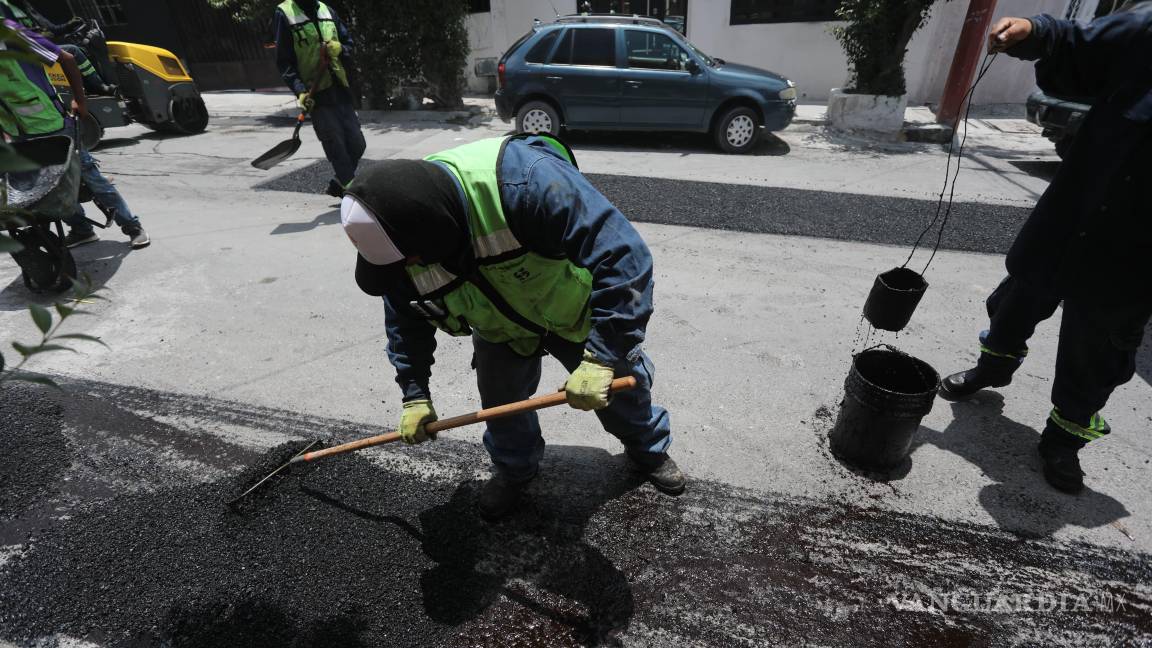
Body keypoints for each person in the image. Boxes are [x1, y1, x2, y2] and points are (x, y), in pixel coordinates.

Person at [340, 133, 685, 520]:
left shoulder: (525, 181)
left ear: (436, 228)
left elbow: (623, 256)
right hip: (500, 327)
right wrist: (414, 394)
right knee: (502, 405)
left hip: (571, 308)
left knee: (619, 389)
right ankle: (514, 470)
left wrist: (603, 355)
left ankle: (648, 450)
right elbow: (404, 315)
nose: (410, 266)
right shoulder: (401, 248)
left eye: (413, 257)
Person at [939, 5, 1152, 494]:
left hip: (1137, 248)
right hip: (1074, 212)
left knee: (1099, 349)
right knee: (1016, 301)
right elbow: (1080, 42)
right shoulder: (1148, 27)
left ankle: (1064, 440)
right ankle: (992, 369)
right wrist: (1034, 32)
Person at [0, 3, 149, 250]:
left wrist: (80, 100)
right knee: (47, 191)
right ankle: (81, 230)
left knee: (90, 177)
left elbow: (66, 58)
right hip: (19, 134)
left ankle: (132, 226)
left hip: (53, 125)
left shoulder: (12, 33)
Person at [273, 0, 365, 199]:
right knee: (336, 146)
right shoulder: (285, 14)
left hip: (340, 88)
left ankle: (339, 184)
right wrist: (300, 92)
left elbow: (349, 43)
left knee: (358, 144)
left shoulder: (326, 10)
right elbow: (284, 62)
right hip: (316, 95)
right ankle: (352, 195)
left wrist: (340, 48)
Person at [6, 0, 115, 95]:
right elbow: (15, 37)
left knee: (84, 48)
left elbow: (52, 29)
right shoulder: (6, 10)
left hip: (44, 46)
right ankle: (98, 86)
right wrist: (40, 36)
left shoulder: (25, 6)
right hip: (29, 52)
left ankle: (92, 84)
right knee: (73, 50)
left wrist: (69, 25)